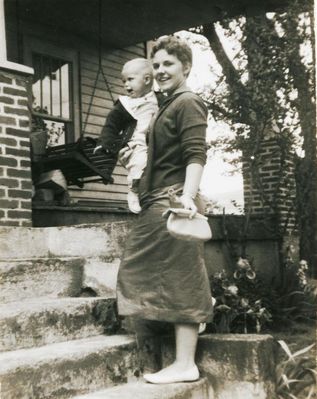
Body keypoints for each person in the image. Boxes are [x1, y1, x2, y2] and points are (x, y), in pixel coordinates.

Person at [116, 36, 213, 384]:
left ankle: (185, 362)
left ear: (186, 67)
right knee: (146, 271)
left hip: (173, 200)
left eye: (167, 64)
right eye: (155, 65)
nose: (159, 71)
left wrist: (188, 197)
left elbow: (195, 154)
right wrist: (135, 157)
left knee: (181, 278)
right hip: (157, 198)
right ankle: (186, 334)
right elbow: (163, 154)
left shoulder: (188, 102)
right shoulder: (166, 105)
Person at [94, 58, 159, 213]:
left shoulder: (160, 99)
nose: (126, 85)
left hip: (155, 142)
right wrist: (105, 143)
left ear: (147, 80)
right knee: (140, 163)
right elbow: (111, 124)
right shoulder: (125, 104)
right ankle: (134, 191)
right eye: (124, 81)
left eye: (130, 79)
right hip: (136, 143)